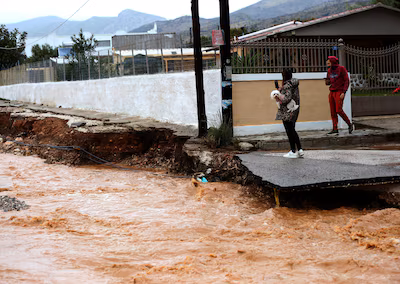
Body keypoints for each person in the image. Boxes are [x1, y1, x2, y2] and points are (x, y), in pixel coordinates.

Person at [275, 69, 304, 158]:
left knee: (289, 130)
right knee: (292, 129)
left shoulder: (287, 85)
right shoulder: (292, 84)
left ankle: (293, 150)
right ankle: (299, 150)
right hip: (294, 109)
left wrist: (278, 98)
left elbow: (286, 98)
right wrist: (280, 89)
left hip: (288, 111)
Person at [325, 56, 354, 135]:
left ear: (333, 62)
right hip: (332, 91)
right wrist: (327, 81)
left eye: (329, 62)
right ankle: (335, 128)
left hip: (339, 91)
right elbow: (328, 82)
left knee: (338, 110)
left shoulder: (341, 69)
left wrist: (344, 92)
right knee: (333, 111)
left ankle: (349, 124)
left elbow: (346, 81)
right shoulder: (329, 71)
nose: (327, 63)